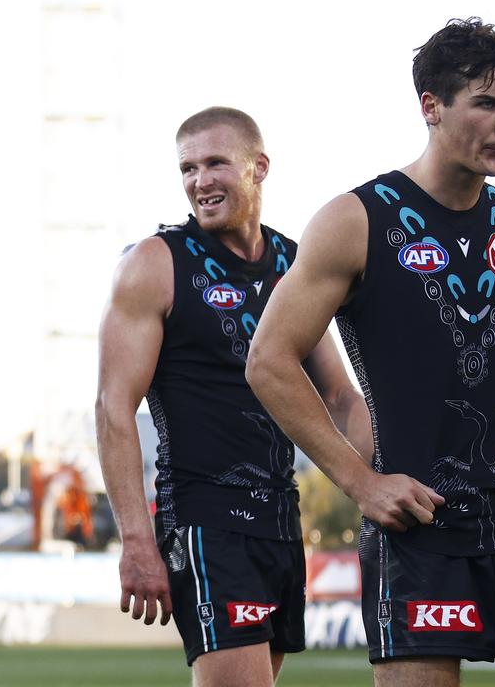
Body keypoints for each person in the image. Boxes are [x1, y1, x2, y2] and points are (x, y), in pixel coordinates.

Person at [246, 18, 495, 685]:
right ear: (431, 108)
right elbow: (268, 359)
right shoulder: (357, 220)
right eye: (487, 103)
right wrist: (361, 482)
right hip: (422, 530)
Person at [95, 107, 372, 685]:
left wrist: (385, 477)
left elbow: (341, 395)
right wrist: (137, 542)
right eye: (188, 168)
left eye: (216, 162)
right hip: (204, 518)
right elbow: (113, 407)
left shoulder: (294, 263)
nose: (201, 181)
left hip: (279, 517)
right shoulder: (154, 262)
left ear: (259, 167)